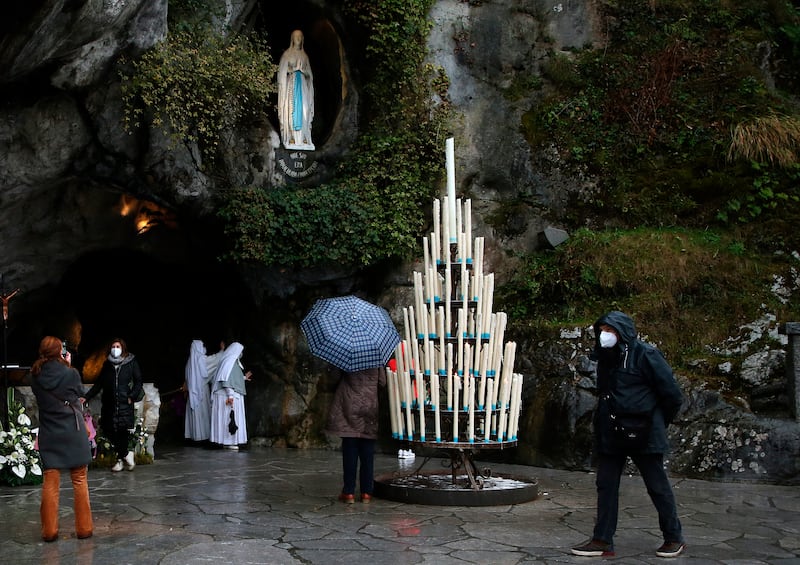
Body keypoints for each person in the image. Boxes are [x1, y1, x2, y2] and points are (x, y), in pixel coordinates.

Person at [571, 311, 685, 558]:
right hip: (612, 431)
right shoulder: (604, 357)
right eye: (602, 330)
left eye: (610, 330)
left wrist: (657, 421)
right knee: (606, 485)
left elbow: (672, 395)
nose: (605, 335)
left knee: (657, 486)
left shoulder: (647, 355)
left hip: (645, 430)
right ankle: (602, 539)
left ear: (623, 333)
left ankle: (673, 537)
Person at [30, 336, 93, 541]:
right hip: (72, 431)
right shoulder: (70, 373)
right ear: (60, 352)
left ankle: (49, 531)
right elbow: (80, 394)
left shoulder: (35, 375)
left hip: (50, 433)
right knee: (79, 479)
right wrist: (68, 365)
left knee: (50, 480)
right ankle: (84, 529)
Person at [82, 337, 143, 472]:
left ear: (123, 348)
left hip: (124, 403)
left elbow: (138, 381)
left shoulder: (131, 362)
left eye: (118, 346)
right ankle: (127, 454)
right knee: (108, 429)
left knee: (122, 431)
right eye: (113, 346)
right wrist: (86, 397)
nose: (115, 349)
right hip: (109, 403)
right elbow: (99, 384)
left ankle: (120, 460)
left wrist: (131, 396)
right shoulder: (107, 365)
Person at [326, 366, 386, 503]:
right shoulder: (375, 355)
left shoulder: (345, 354)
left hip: (349, 403)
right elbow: (382, 382)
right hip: (370, 405)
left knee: (350, 449)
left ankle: (349, 492)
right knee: (367, 452)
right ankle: (366, 492)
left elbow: (333, 379)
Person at [277, 29, 315, 150]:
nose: (298, 39)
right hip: (291, 86)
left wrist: (303, 72)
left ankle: (303, 139)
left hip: (303, 87)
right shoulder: (287, 55)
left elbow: (310, 75)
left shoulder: (304, 56)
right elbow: (281, 72)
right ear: (292, 39)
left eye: (300, 37)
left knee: (305, 110)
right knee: (291, 110)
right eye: (296, 36)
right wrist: (291, 71)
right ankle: (292, 138)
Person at [209, 341, 251, 450]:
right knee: (228, 418)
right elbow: (226, 380)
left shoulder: (231, 362)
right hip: (227, 396)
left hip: (228, 395)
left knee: (227, 418)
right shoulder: (230, 363)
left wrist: (244, 378)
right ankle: (228, 441)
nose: (241, 354)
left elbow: (233, 378)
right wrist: (230, 396)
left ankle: (226, 441)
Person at [183, 339, 224, 444]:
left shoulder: (189, 361)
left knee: (195, 414)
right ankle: (202, 437)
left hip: (192, 394)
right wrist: (222, 351)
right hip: (201, 392)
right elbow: (215, 360)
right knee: (203, 414)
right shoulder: (201, 360)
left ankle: (193, 436)